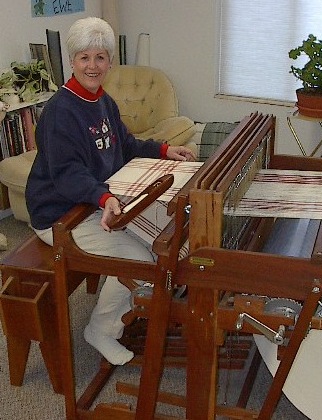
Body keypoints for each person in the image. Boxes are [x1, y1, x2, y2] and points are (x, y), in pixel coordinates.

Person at [25, 17, 195, 366]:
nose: (93, 65)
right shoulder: (61, 111)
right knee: (139, 260)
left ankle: (148, 299)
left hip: (96, 202)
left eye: (100, 57)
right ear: (73, 61)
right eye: (84, 57)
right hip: (60, 214)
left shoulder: (103, 101)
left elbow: (125, 143)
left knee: (166, 234)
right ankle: (101, 329)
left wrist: (163, 151)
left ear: (109, 63)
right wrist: (103, 197)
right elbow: (67, 174)